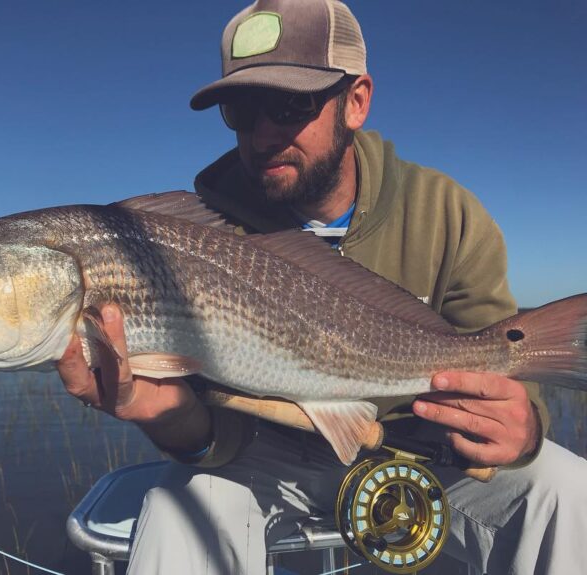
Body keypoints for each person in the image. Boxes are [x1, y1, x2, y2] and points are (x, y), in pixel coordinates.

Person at [58, 0, 586, 573]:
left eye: (290, 104)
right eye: (240, 108)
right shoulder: (197, 231)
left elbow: (511, 399)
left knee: (565, 490)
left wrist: (524, 428)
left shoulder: (445, 211)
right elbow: (212, 435)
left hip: (419, 448)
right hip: (257, 460)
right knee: (173, 512)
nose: (262, 134)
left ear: (356, 101)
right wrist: (161, 415)